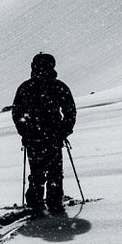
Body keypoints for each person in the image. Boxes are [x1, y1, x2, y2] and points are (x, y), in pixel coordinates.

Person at [11, 51, 77, 216]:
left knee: (37, 172)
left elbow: (17, 113)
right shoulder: (58, 86)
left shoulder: (26, 87)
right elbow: (70, 111)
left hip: (35, 137)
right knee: (54, 171)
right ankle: (54, 202)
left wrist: (25, 132)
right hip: (52, 137)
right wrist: (63, 131)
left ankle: (35, 203)